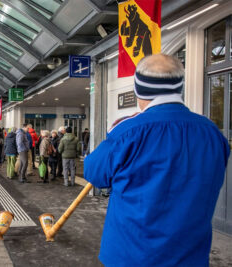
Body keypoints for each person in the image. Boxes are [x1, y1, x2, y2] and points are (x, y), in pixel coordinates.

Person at [84, 54, 229, 267]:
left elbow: (94, 173)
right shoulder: (212, 133)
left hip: (132, 254)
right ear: (179, 87)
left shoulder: (128, 131)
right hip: (191, 255)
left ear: (139, 90)